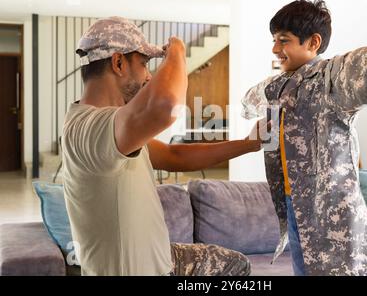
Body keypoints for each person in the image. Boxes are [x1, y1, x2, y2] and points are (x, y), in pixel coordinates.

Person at [241, 0, 367, 276]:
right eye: (274, 40)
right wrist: (250, 119)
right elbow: (254, 98)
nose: (275, 49)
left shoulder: (331, 78)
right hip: (294, 204)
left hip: (330, 209)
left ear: (313, 42)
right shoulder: (280, 86)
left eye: (283, 40)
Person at [62, 16, 265, 276]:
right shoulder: (88, 128)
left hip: (160, 261)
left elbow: (175, 155)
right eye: (145, 64)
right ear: (118, 62)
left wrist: (249, 143)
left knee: (234, 264)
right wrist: (178, 53)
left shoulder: (118, 129)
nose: (148, 76)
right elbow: (166, 105)